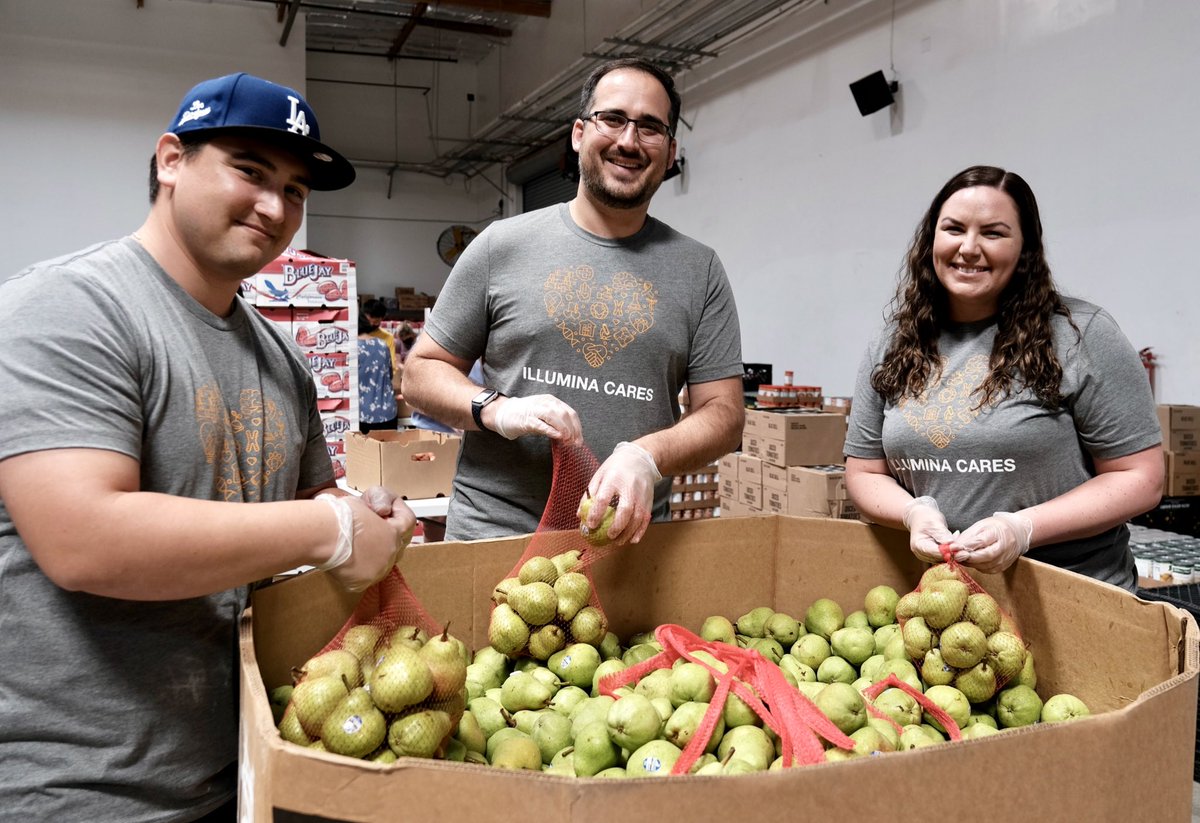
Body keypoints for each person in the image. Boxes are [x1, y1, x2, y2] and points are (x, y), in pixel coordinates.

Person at [0, 73, 416, 821]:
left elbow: (304, 501)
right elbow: (82, 538)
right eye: (250, 171)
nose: (275, 207)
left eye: (294, 189)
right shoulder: (70, 308)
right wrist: (331, 530)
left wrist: (362, 510)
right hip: (80, 787)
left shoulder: (279, 357)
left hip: (238, 761)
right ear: (170, 160)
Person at [402, 57, 744, 545]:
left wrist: (647, 456)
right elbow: (420, 373)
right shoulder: (503, 244)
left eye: (650, 127)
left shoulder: (699, 269)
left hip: (628, 541)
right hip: (497, 535)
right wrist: (495, 409)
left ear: (670, 153)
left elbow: (724, 415)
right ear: (579, 133)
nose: (628, 141)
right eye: (613, 119)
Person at [843, 165, 1162, 591]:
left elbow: (1141, 476)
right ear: (931, 240)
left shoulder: (1080, 335)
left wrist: (1023, 528)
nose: (969, 248)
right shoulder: (895, 340)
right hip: (941, 601)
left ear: (1025, 248)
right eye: (953, 229)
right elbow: (864, 472)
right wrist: (913, 512)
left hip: (1070, 597)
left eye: (993, 233)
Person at [357, 311, 399, 433]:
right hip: (387, 411)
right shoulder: (382, 344)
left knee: (364, 452)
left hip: (362, 413)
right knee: (388, 451)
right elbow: (390, 374)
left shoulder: (352, 348)